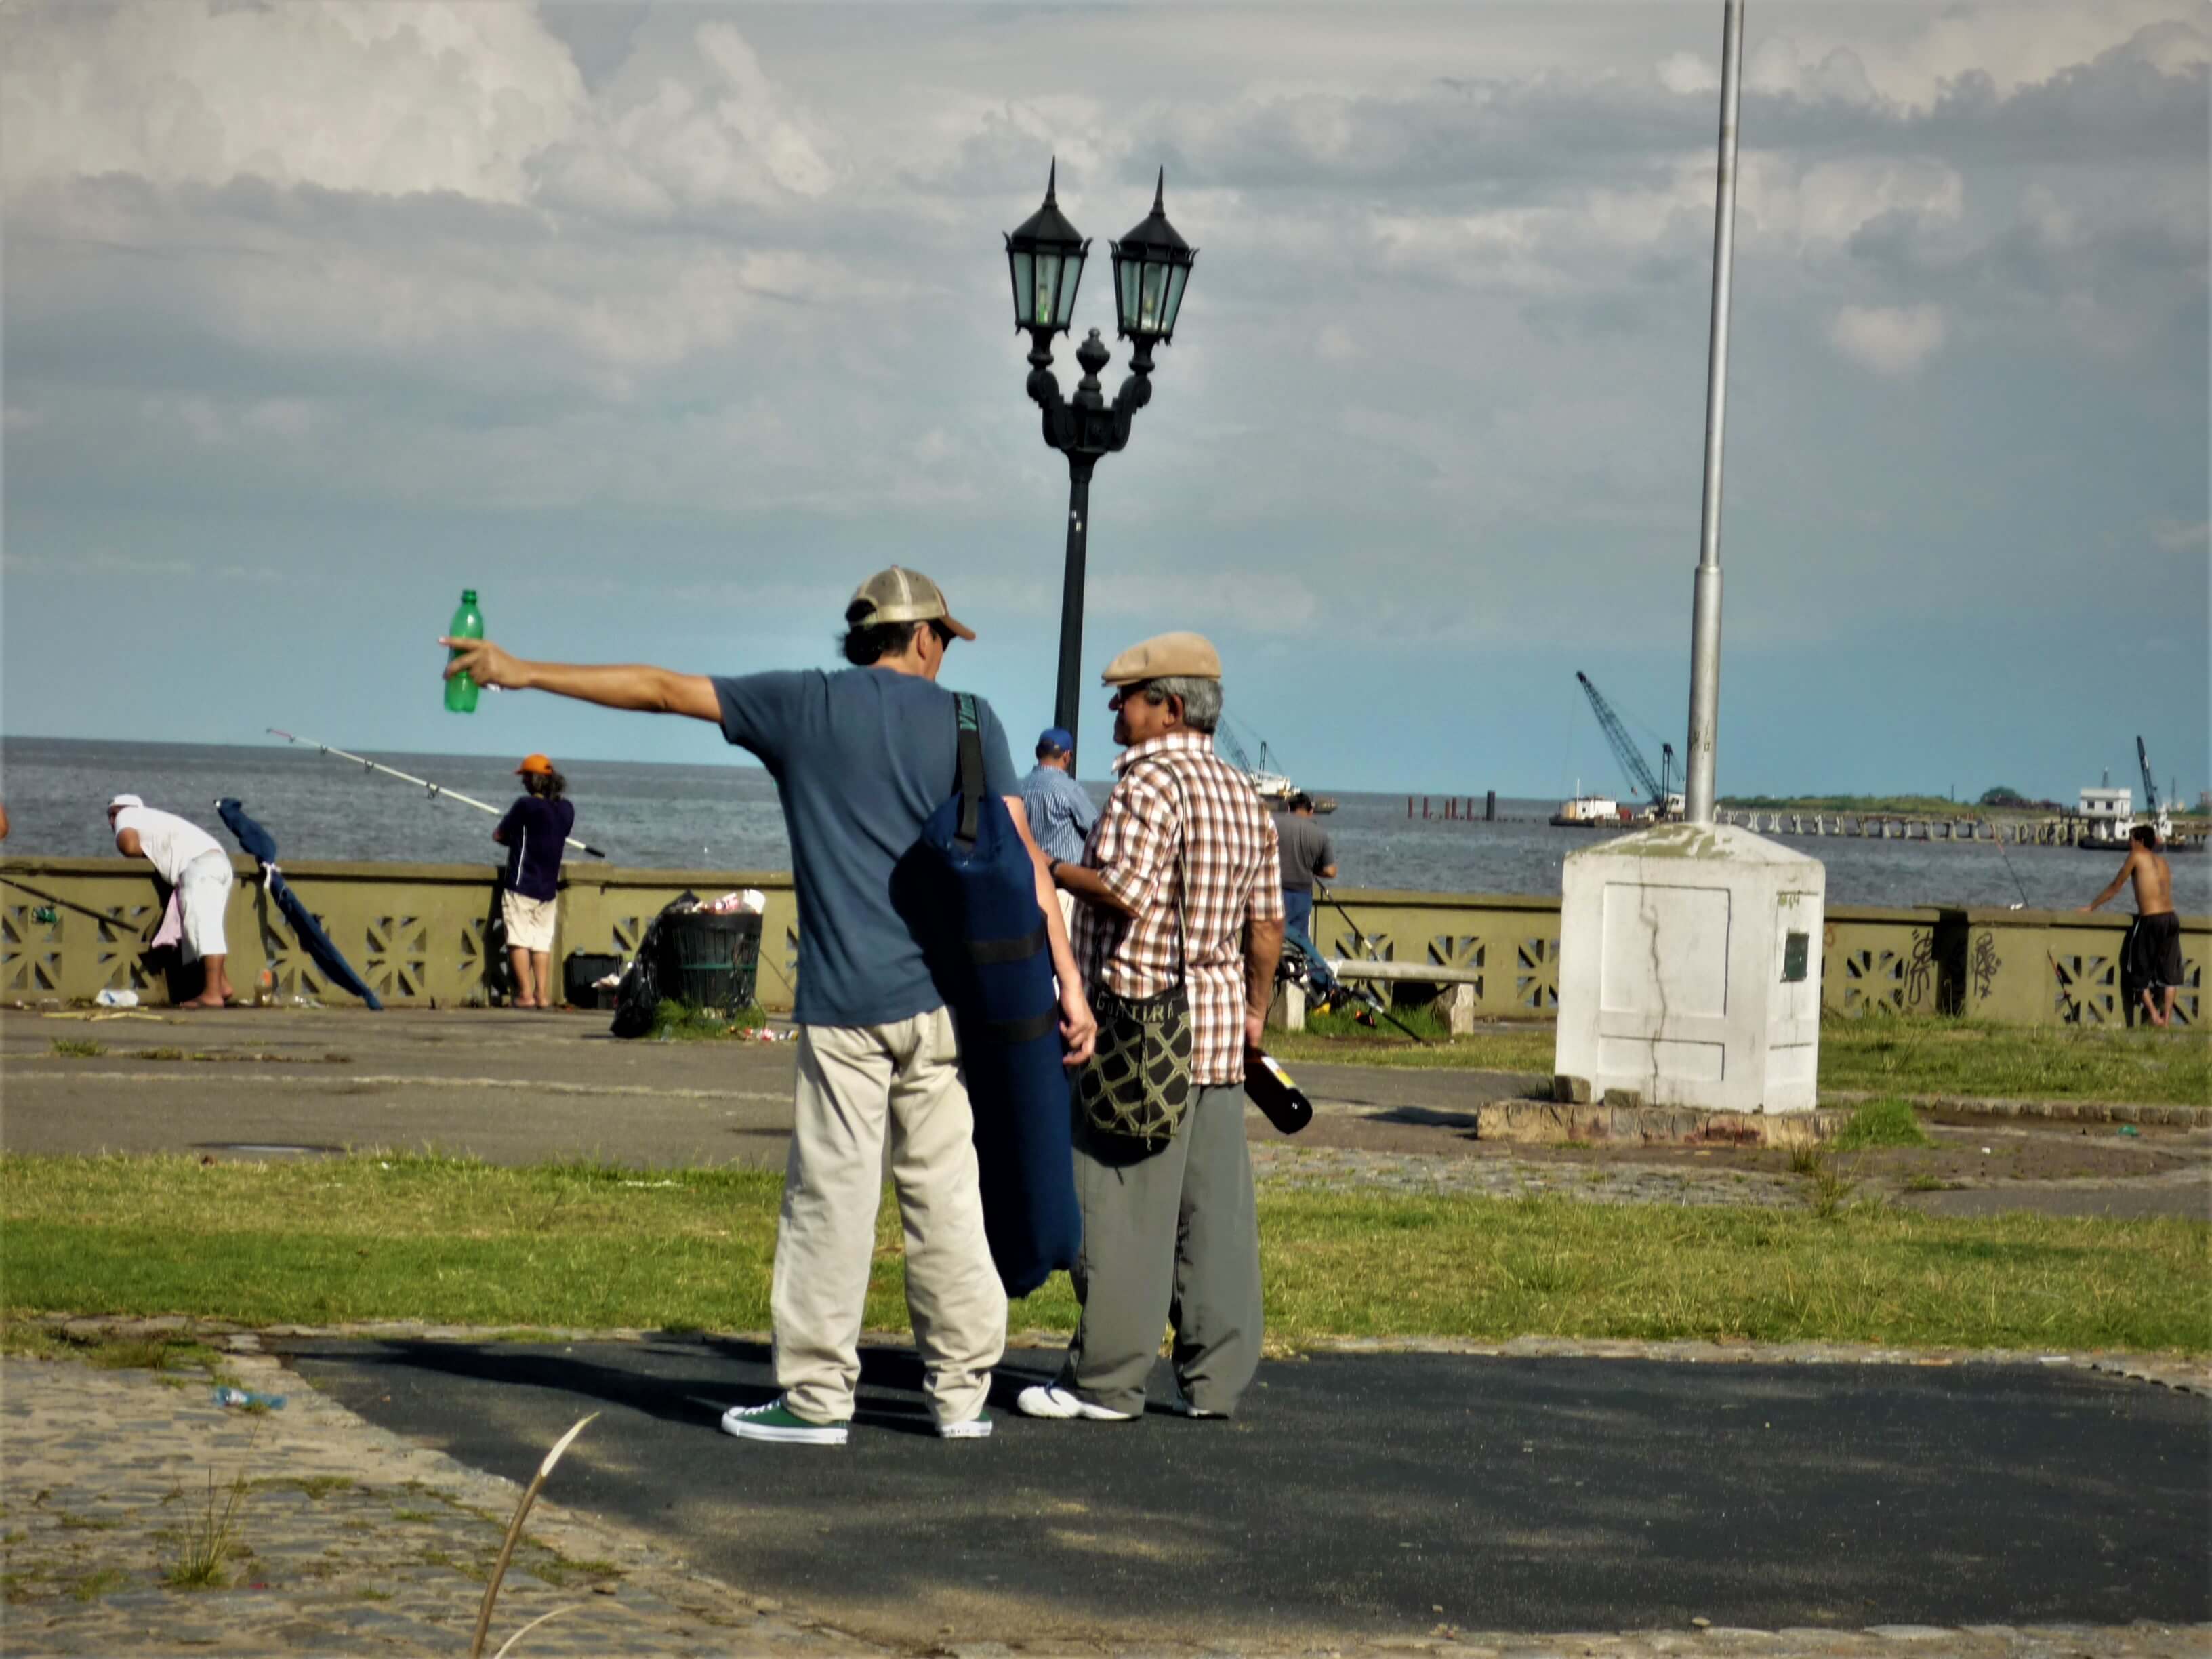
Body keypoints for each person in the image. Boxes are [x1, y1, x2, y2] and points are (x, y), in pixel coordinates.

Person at [443, 566, 1094, 1446]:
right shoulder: (972, 720)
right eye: (944, 639)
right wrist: (1068, 981)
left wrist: (521, 671)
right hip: (944, 1006)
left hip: (845, 1006)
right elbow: (1024, 858)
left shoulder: (807, 706)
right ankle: (959, 1393)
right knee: (948, 1198)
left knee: (833, 1198)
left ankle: (820, 1402)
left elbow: (664, 692)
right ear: (926, 636)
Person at [1025, 631, 1283, 1424]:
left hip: (1143, 1025)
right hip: (1215, 1027)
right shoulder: (1245, 793)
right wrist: (1254, 1011)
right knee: (1215, 1218)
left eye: (1127, 698)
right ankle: (1216, 1382)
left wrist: (1042, 864)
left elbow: (1124, 892)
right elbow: (1267, 924)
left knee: (1123, 1203)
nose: (1115, 710)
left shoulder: (1148, 786)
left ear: (1169, 706)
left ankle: (1106, 1381)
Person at [107, 793, 234, 1008]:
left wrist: (144, 853)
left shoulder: (125, 814)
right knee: (207, 924)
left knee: (201, 927)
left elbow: (128, 846)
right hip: (218, 862)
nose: (112, 823)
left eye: (110, 817)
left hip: (200, 867)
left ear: (115, 812)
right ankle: (221, 985)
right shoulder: (155, 819)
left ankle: (212, 994)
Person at [493, 754, 575, 1010]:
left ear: (534, 780)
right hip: (548, 889)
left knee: (518, 939)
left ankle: (526, 995)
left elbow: (500, 835)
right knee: (541, 943)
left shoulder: (525, 806)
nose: (523, 783)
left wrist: (512, 837)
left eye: (526, 777)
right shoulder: (566, 810)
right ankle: (543, 995)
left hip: (521, 884)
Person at [2082, 823, 2183, 1028]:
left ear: (2140, 842)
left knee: (2137, 972)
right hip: (2171, 918)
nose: (2129, 843)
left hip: (2151, 920)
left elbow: (2116, 886)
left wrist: (2092, 907)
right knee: (2170, 975)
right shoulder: (2163, 862)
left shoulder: (2136, 856)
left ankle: (2154, 1017)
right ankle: (2167, 1020)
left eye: (2131, 839)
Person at [1019, 726, 1097, 932]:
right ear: (1067, 756)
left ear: (1037, 752)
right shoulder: (1068, 788)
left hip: (1029, 888)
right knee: (1064, 958)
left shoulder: (1020, 788)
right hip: (1064, 888)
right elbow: (1098, 830)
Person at [1275, 791, 1340, 999]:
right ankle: (1300, 995)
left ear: (1288, 808)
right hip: (1302, 895)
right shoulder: (1319, 834)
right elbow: (1331, 871)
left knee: (1268, 942)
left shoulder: (1273, 825)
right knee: (1299, 948)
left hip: (1274, 893)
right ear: (1311, 811)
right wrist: (1312, 870)